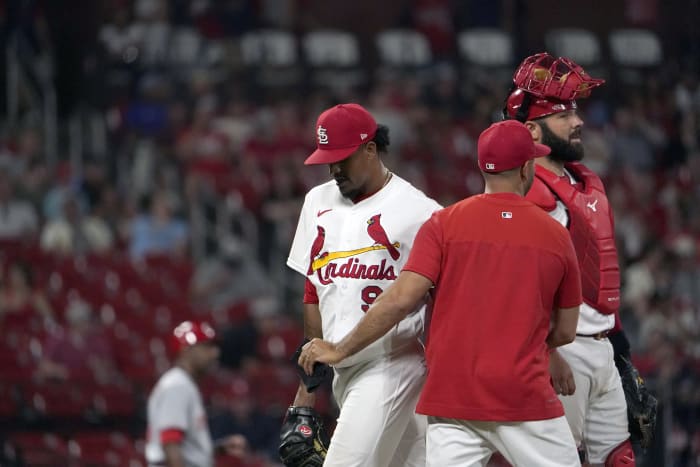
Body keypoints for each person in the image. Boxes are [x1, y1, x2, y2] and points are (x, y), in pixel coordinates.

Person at [298, 119, 583, 467]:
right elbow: (567, 330)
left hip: (452, 405)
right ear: (527, 168)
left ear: (482, 167)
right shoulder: (555, 234)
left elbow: (400, 299)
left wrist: (340, 348)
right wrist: (540, 346)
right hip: (525, 398)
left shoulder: (443, 223)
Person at [503, 52, 657, 466]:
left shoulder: (585, 180)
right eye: (563, 116)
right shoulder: (528, 190)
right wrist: (547, 353)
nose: (578, 121)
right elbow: (520, 286)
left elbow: (601, 277)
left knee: (619, 458)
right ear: (531, 129)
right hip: (560, 352)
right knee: (560, 460)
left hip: (603, 348)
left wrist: (621, 353)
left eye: (575, 112)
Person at [283, 103, 442, 467]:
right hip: (343, 370)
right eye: (328, 159)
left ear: (370, 149)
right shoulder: (317, 201)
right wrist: (309, 384)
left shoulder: (421, 212)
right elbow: (315, 288)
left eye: (343, 158)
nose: (334, 168)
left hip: (393, 363)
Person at [145, 320, 247, 467]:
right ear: (186, 350)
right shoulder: (177, 385)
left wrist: (218, 449)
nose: (215, 353)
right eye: (207, 347)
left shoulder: (185, 384)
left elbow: (186, 452)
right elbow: (170, 444)